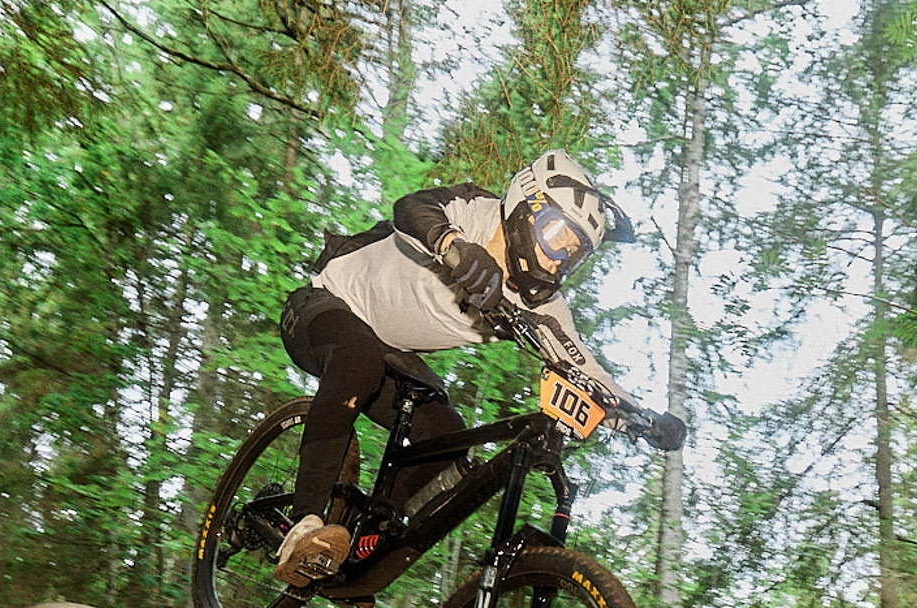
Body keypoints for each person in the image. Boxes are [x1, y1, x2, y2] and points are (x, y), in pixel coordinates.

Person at [272, 149, 686, 585]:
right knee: (360, 358)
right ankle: (304, 524)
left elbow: (584, 371)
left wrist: (643, 419)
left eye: (573, 255)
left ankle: (363, 546)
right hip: (323, 306)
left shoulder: (541, 305)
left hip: (389, 354)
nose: (557, 261)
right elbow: (411, 209)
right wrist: (454, 247)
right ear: (528, 209)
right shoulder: (477, 213)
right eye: (556, 238)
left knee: (448, 436)